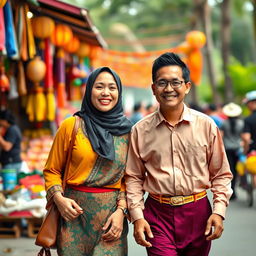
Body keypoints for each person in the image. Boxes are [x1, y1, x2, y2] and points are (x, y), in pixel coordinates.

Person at [125, 52, 233, 256]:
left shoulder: (206, 126)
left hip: (198, 213)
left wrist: (219, 212)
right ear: (154, 89)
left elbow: (221, 174)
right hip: (157, 215)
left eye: (175, 82)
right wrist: (138, 217)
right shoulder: (140, 130)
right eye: (162, 83)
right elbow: (133, 177)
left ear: (187, 86)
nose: (169, 89)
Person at [43, 67, 132, 256]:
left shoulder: (129, 132)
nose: (106, 93)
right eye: (99, 87)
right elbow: (52, 170)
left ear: (119, 92)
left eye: (112, 87)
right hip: (72, 219)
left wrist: (121, 211)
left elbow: (131, 178)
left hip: (111, 221)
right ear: (89, 89)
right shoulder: (71, 126)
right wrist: (59, 200)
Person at [220, 102, 244, 200]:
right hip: (238, 149)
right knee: (237, 170)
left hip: (227, 149)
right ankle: (237, 189)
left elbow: (220, 137)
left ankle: (231, 191)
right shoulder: (241, 123)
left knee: (230, 171)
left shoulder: (224, 123)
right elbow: (244, 137)